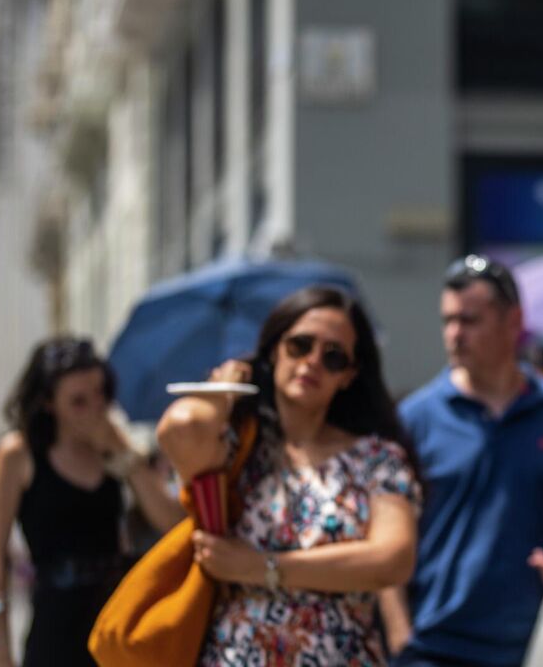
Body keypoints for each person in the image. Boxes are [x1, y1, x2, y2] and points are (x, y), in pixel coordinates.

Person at [157, 285, 422, 666]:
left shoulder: (376, 458)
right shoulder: (237, 447)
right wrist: (221, 392)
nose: (313, 361)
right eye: (300, 345)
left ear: (349, 375)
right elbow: (178, 429)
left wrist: (263, 568)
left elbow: (393, 559)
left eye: (333, 357)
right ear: (274, 349)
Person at [385, 255, 543, 667]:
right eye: (447, 320)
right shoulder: (415, 418)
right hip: (431, 648)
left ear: (513, 322)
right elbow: (389, 535)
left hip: (535, 646)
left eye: (469, 320)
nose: (454, 334)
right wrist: (399, 636)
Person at [0, 336, 184, 667]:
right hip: (55, 620)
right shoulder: (18, 454)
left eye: (100, 395)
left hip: (116, 618)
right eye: (78, 401)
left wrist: (125, 455)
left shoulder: (115, 446)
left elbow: (171, 521)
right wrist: (0, 652)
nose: (94, 409)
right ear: (49, 403)